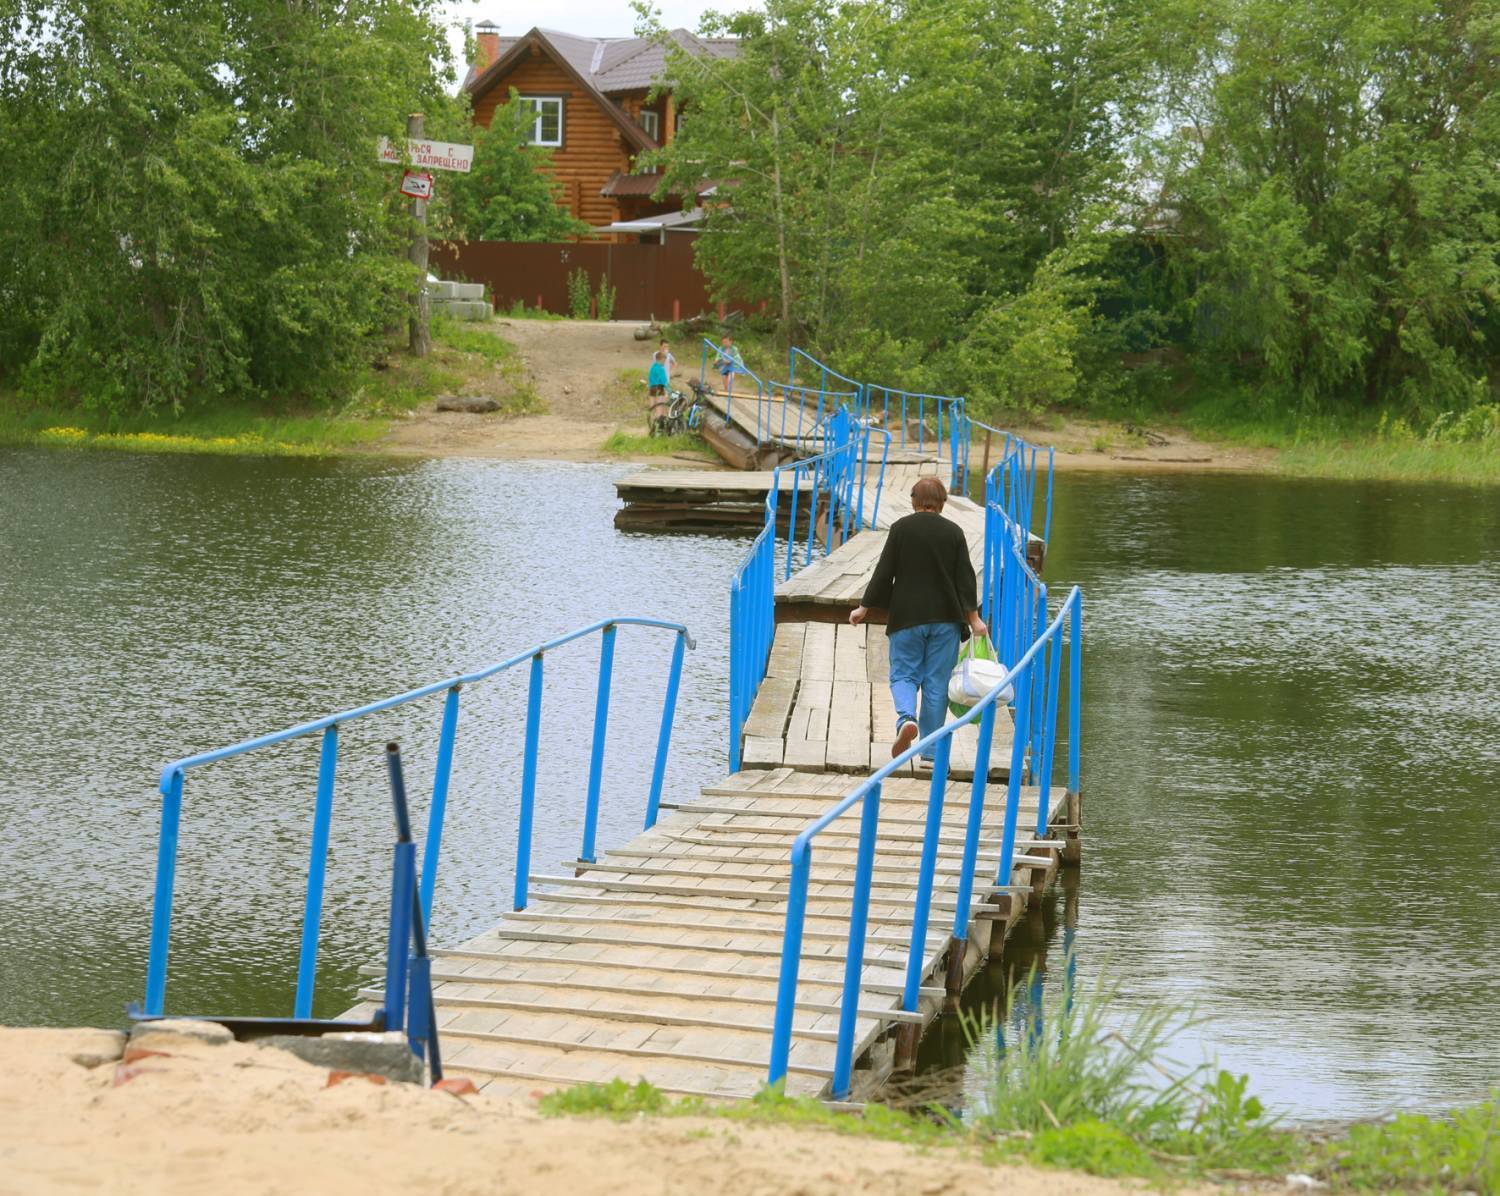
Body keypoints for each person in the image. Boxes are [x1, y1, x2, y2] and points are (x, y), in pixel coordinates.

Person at [850, 476, 986, 759]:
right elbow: (965, 578)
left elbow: (884, 571)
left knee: (904, 674)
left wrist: (865, 607)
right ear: (943, 503)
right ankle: (931, 753)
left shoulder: (901, 529)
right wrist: (973, 619)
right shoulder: (954, 532)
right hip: (946, 620)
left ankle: (906, 718)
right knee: (936, 684)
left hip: (907, 619)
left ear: (913, 501)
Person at [647, 345, 671, 431]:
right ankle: (660, 428)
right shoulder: (661, 369)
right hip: (659, 389)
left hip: (652, 389)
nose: (665, 362)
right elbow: (664, 381)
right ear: (661, 359)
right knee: (660, 408)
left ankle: (652, 426)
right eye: (664, 360)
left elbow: (649, 379)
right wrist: (669, 391)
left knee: (653, 408)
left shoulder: (652, 368)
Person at [714, 334, 745, 398]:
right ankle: (726, 392)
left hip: (732, 367)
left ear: (730, 342)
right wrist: (716, 360)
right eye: (723, 342)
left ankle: (729, 392)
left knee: (729, 381)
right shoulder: (721, 348)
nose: (724, 344)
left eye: (726, 342)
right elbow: (718, 355)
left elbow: (737, 357)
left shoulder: (734, 349)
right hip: (724, 366)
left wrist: (730, 360)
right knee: (725, 382)